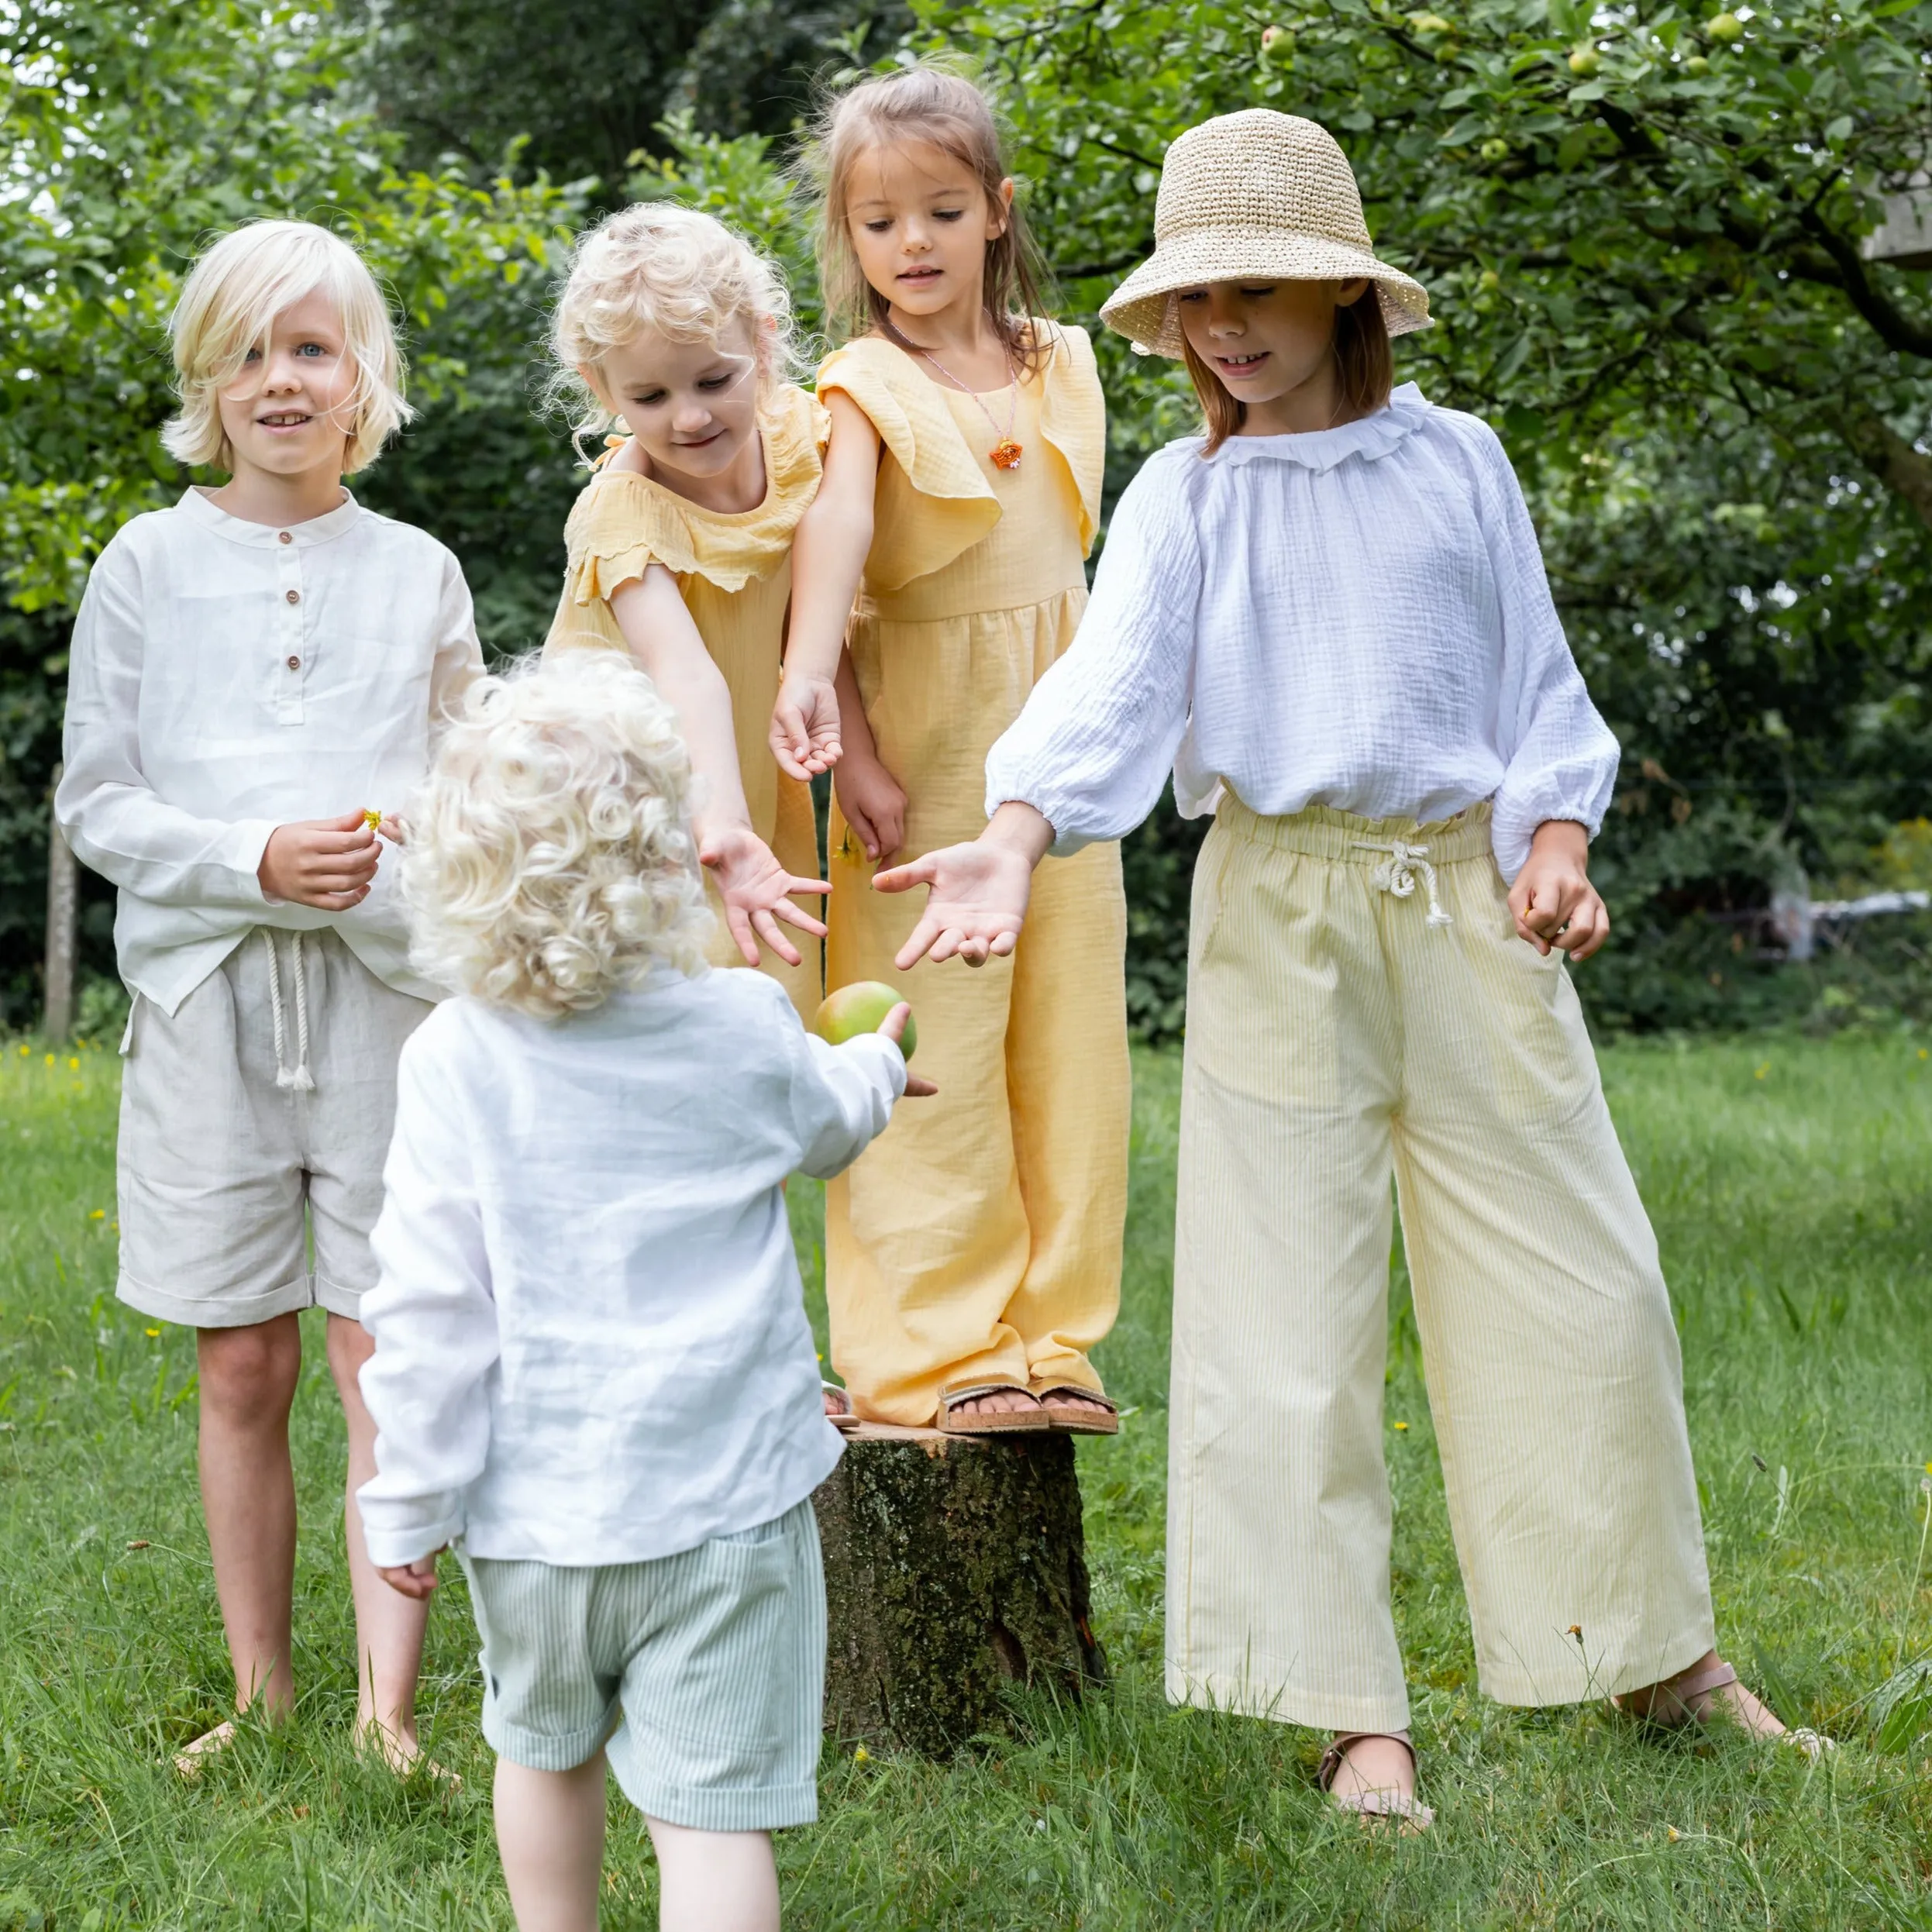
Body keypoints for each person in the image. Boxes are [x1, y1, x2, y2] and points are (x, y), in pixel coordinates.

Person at [877, 109, 1822, 1827]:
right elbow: (1107, 687)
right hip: (1278, 912)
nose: (1223, 327)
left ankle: (1653, 1652)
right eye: (1196, 299)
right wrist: (1013, 837)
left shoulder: (1458, 460)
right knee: (1281, 1317)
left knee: (1580, 1282)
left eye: (1259, 289)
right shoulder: (1186, 493)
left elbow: (1530, 678)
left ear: (1340, 297)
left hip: (1468, 898)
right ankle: (1345, 1713)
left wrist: (1556, 842)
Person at [356, 653, 928, 1932]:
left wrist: (406, 1501)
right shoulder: (736, 1024)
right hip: (724, 1509)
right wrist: (878, 1063)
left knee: (541, 1751)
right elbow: (827, 1121)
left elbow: (429, 1309)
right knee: (711, 1812)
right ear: (669, 861)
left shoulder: (454, 1056)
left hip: (534, 1520)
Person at [56, 219, 483, 1774]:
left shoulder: (419, 568)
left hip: (391, 1005)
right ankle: (264, 1690)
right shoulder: (147, 561)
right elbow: (97, 799)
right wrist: (250, 854)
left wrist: (390, 860)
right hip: (203, 996)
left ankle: (386, 1711)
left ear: (364, 377)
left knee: (386, 1347)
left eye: (310, 348)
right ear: (206, 383)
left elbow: (467, 790)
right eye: (247, 352)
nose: (279, 380)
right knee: (242, 1353)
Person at [770, 61, 1128, 1437]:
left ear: (996, 211)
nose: (908, 245)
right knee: (933, 1044)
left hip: (1053, 756)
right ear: (846, 240)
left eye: (937, 210)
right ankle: (931, 1348)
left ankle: (1049, 1332)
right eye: (876, 222)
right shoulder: (854, 384)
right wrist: (834, 722)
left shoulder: (1061, 362)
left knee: (1065, 1036)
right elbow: (837, 553)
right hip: (920, 752)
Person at [542, 204, 829, 1013]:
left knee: (773, 1010)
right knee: (674, 1012)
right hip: (633, 800)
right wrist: (726, 831)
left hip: (742, 775)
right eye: (651, 395)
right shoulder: (623, 509)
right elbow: (686, 675)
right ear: (602, 390)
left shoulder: (802, 435)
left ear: (763, 344)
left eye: (714, 380)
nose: (691, 416)